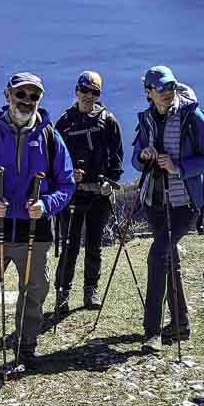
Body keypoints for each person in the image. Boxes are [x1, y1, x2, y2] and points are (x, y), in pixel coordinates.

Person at [0, 72, 75, 389]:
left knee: (34, 294)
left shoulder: (51, 138)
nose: (26, 101)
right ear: (7, 96)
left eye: (33, 96)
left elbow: (66, 184)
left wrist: (47, 204)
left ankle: (26, 350)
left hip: (35, 233)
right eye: (20, 95)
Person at [131, 66, 204, 351]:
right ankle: (181, 323)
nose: (168, 93)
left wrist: (178, 167)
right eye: (162, 89)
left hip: (184, 204)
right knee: (169, 259)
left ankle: (151, 332)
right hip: (156, 202)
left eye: (171, 87)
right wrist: (144, 156)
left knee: (157, 257)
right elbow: (135, 159)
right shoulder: (147, 119)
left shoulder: (191, 116)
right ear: (148, 92)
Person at [53, 71, 124, 314]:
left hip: (99, 193)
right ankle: (62, 293)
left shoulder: (108, 121)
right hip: (71, 195)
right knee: (69, 245)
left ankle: (90, 290)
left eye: (94, 92)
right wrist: (68, 175)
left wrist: (110, 182)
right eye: (85, 91)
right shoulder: (63, 123)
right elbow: (53, 160)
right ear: (76, 91)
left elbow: (117, 158)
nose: (88, 96)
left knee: (94, 244)